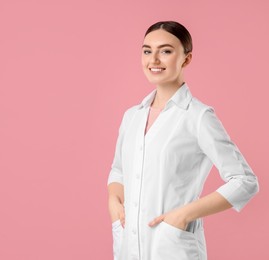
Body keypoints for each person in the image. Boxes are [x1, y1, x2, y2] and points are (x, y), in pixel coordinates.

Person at [107, 21, 259, 260]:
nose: (154, 59)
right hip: (129, 247)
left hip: (172, 247)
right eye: (147, 51)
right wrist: (114, 202)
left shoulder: (197, 116)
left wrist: (183, 215)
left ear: (186, 59)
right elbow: (119, 170)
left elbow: (245, 181)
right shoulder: (132, 116)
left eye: (165, 51)